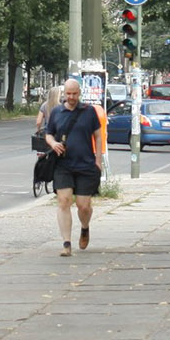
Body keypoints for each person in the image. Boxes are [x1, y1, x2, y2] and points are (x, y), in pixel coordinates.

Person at [45, 77, 104, 256]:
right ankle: (66, 243)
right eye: (68, 94)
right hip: (63, 164)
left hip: (86, 164)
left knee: (83, 205)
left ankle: (85, 227)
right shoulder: (56, 112)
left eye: (74, 94)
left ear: (79, 93)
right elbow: (48, 134)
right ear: (64, 94)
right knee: (64, 201)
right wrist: (53, 144)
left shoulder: (89, 112)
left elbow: (98, 136)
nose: (71, 97)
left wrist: (98, 161)